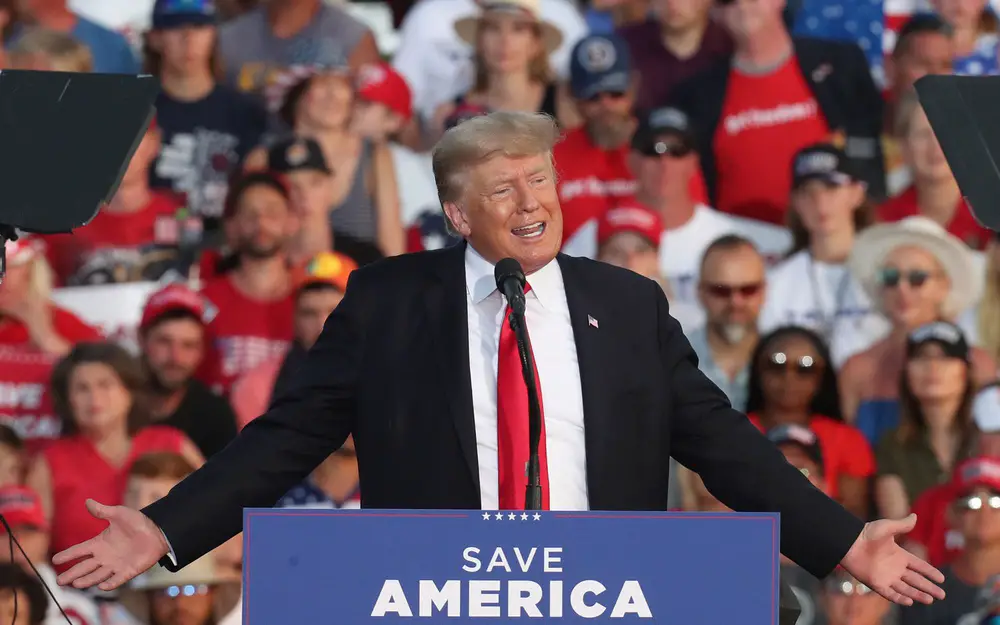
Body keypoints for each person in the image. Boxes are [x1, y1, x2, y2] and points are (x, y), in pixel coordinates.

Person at [52, 112, 944, 609]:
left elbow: (720, 440)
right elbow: (286, 439)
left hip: (607, 600)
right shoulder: (389, 302)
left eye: (543, 178)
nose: (533, 202)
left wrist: (841, 538)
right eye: (504, 187)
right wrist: (167, 527)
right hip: (442, 600)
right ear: (456, 213)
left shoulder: (626, 305)